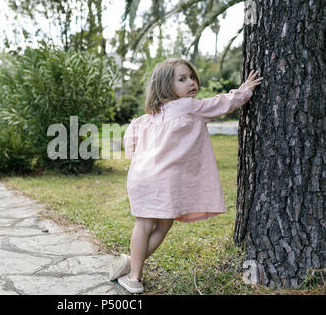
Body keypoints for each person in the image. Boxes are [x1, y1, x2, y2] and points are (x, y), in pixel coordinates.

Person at [109, 58, 263, 293]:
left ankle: (133, 266)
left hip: (141, 177)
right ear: (164, 86)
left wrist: (136, 157)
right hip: (164, 180)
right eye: (182, 79)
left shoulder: (148, 116)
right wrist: (245, 90)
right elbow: (223, 103)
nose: (191, 82)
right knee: (160, 225)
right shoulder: (190, 107)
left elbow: (131, 137)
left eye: (191, 77)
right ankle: (134, 275)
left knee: (144, 224)